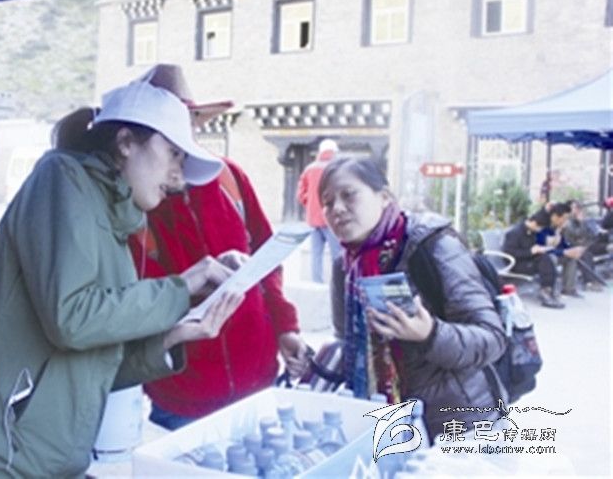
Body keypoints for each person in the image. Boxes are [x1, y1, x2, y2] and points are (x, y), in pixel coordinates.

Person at [0, 78, 247, 477]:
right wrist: (185, 284)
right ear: (126, 142)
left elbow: (91, 366)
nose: (179, 178)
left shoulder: (115, 229)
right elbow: (71, 319)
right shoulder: (61, 178)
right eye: (174, 154)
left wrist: (172, 337)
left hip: (38, 461)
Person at [128, 63, 308, 430]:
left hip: (258, 383)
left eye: (190, 121)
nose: (185, 134)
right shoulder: (134, 202)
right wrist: (193, 287)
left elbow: (268, 261)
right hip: (181, 398)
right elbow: (133, 303)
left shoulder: (229, 177)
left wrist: (285, 328)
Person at [323, 157, 506, 440]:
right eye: (327, 203)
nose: (337, 208)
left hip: (458, 424)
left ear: (384, 197)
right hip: (384, 425)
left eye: (349, 195)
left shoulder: (432, 247)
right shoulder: (344, 267)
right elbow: (346, 343)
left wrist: (430, 334)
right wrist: (313, 364)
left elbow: (492, 339)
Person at [297, 138, 342, 283]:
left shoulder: (309, 169)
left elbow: (300, 194)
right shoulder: (337, 168)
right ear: (333, 152)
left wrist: (310, 203)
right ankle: (337, 283)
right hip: (331, 218)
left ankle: (316, 282)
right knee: (337, 254)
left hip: (313, 219)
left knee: (316, 254)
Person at [502, 208, 563, 308]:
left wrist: (539, 249)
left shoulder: (531, 231)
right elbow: (509, 253)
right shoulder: (515, 232)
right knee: (544, 260)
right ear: (534, 223)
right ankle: (546, 292)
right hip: (516, 264)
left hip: (528, 260)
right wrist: (530, 252)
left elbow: (532, 247)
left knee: (546, 258)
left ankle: (548, 290)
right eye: (540, 228)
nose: (540, 230)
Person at [535, 202, 586, 298]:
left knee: (571, 257)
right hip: (539, 258)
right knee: (551, 258)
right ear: (555, 216)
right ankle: (550, 290)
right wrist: (564, 252)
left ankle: (569, 289)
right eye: (564, 218)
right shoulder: (542, 227)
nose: (566, 222)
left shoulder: (557, 227)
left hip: (552, 254)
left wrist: (572, 250)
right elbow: (541, 250)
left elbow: (562, 245)